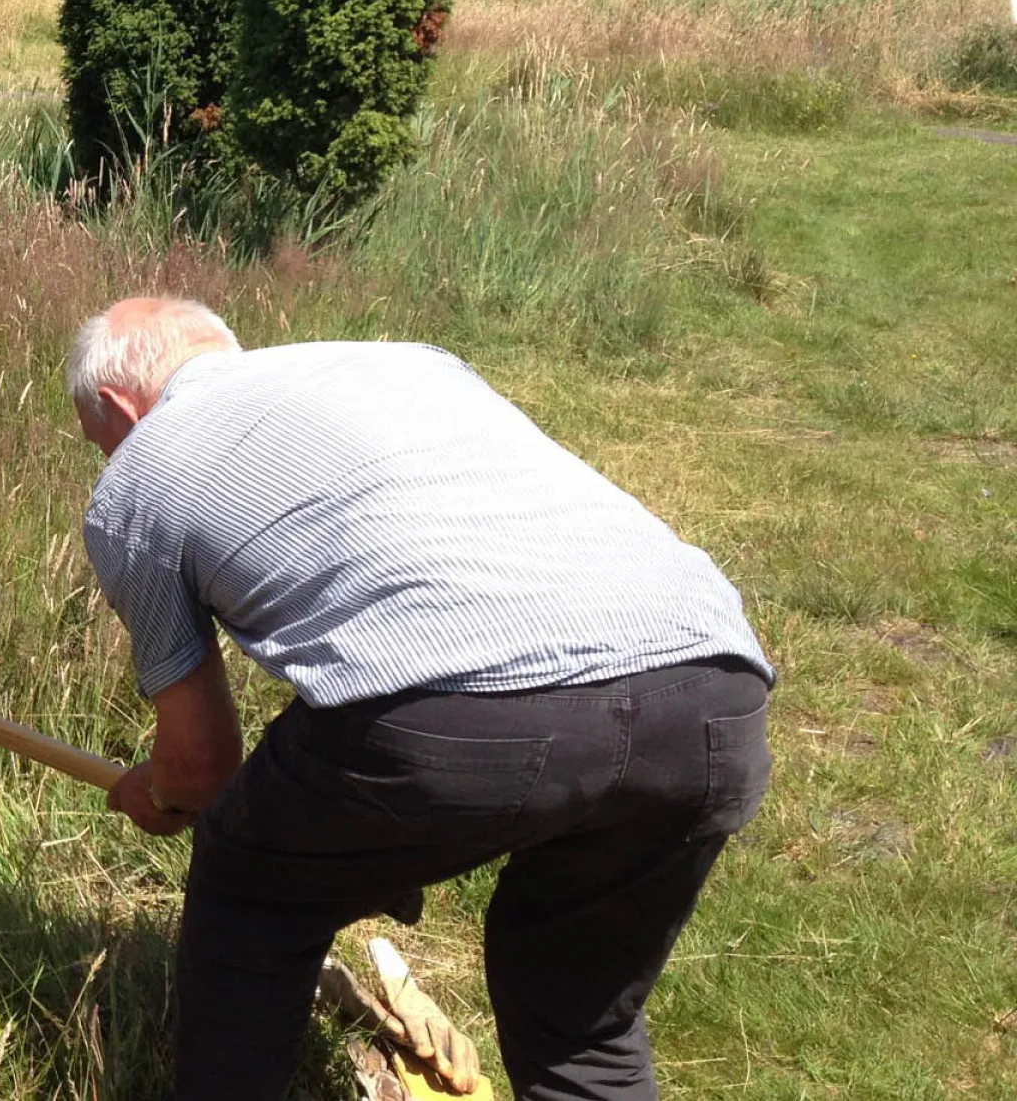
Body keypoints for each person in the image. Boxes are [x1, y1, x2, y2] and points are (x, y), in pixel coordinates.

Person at [69, 297, 774, 1101]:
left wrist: (161, 794)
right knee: (580, 1019)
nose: (110, 461)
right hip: (712, 686)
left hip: (462, 712)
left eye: (100, 442)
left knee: (248, 889)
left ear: (120, 406)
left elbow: (201, 768)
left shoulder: (140, 474)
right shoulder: (407, 361)